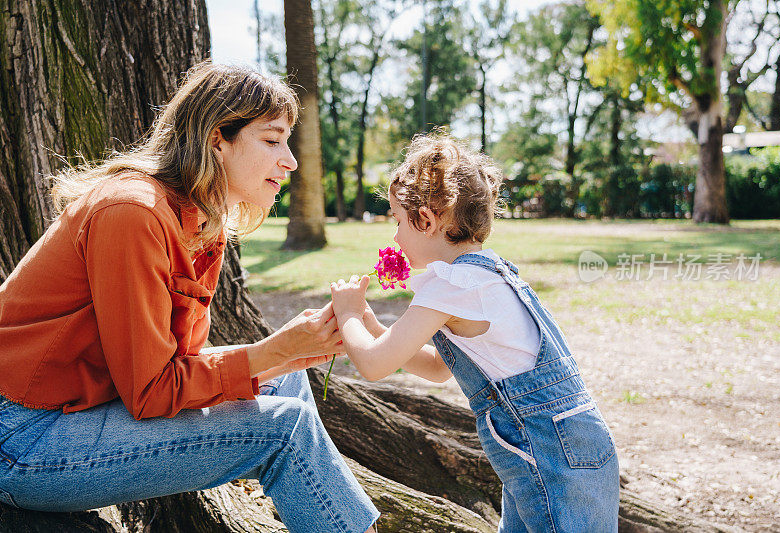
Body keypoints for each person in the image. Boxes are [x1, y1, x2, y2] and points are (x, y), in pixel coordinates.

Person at [0, 61, 379, 533]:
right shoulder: (132, 214)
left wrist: (289, 354)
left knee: (289, 385)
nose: (291, 160)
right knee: (285, 428)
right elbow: (151, 392)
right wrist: (271, 351)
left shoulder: (202, 222)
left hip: (78, 411)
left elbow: (179, 362)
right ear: (218, 138)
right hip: (19, 437)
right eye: (272, 140)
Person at [330, 133, 619, 532]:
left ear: (427, 220)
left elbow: (375, 364)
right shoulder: (488, 271)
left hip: (547, 451)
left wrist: (346, 314)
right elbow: (436, 368)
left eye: (397, 221)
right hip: (568, 441)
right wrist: (373, 325)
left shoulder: (451, 285)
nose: (395, 237)